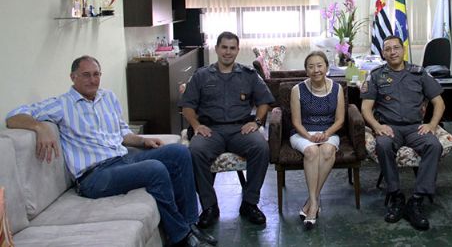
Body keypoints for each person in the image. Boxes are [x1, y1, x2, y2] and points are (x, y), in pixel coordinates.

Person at [5, 56, 215, 247]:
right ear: (73, 77)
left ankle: (189, 226)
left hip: (122, 159)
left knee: (179, 152)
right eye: (86, 75)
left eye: (96, 74)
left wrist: (143, 141)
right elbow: (14, 116)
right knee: (155, 169)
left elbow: (122, 134)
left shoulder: (108, 97)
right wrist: (40, 127)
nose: (92, 80)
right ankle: (180, 238)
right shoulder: (62, 104)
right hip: (94, 177)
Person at [180, 32, 274, 228]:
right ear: (217, 49)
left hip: (240, 130)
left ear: (238, 50)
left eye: (232, 48)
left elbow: (265, 101)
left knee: (261, 148)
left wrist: (256, 122)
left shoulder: (249, 75)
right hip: (211, 131)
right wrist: (197, 126)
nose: (228, 52)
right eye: (224, 47)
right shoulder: (201, 75)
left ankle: (249, 203)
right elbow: (187, 106)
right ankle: (210, 206)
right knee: (195, 151)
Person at [361, 35, 446, 231]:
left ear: (403, 49)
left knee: (434, 145)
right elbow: (366, 108)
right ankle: (396, 195)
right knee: (382, 145)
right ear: (383, 53)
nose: (393, 52)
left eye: (396, 48)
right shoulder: (376, 75)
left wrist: (432, 125)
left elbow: (439, 103)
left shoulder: (419, 73)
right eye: (388, 49)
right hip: (389, 127)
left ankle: (416, 200)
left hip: (415, 127)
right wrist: (376, 126)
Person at [289, 51, 345, 229]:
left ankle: (311, 201)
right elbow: (296, 122)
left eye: (320, 65)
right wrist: (310, 136)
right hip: (303, 133)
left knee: (328, 151)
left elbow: (340, 120)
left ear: (327, 67)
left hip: (329, 132)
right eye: (311, 66)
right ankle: (314, 205)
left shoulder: (337, 88)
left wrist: (326, 133)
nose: (316, 70)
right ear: (306, 70)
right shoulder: (297, 90)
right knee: (312, 151)